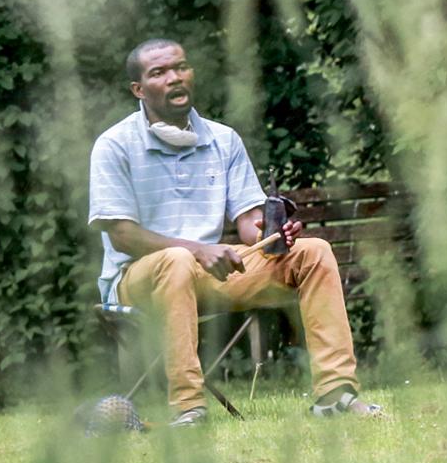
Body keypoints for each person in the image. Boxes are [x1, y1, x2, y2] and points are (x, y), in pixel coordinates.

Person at [89, 39, 381, 423]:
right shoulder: (115, 145)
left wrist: (272, 232)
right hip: (137, 278)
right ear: (138, 90)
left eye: (181, 67)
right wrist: (197, 249)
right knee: (177, 259)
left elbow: (248, 224)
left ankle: (335, 396)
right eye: (159, 72)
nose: (175, 78)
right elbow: (122, 236)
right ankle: (189, 408)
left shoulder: (222, 140)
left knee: (314, 251)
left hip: (209, 271)